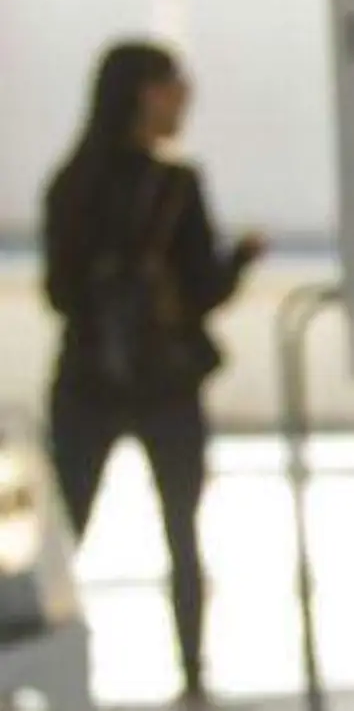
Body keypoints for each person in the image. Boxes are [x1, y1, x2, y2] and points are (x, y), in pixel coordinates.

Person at [42, 42, 265, 706]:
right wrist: (241, 259)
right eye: (174, 85)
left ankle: (38, 663)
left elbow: (59, 290)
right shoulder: (175, 186)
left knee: (65, 532)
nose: (183, 98)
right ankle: (192, 676)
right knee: (182, 531)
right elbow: (202, 290)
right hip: (163, 382)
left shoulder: (70, 182)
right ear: (144, 92)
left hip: (89, 377)